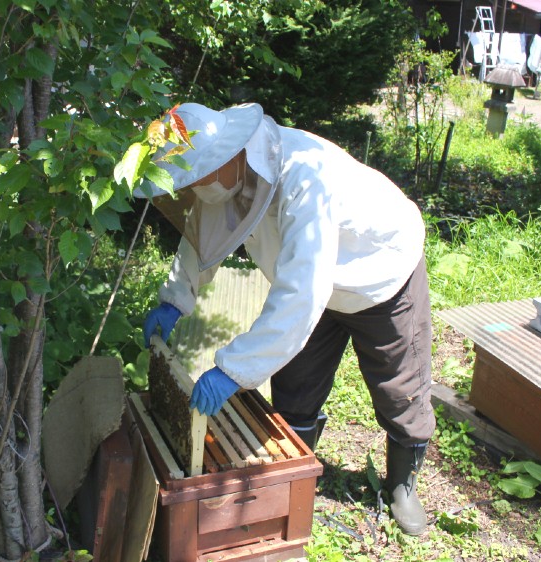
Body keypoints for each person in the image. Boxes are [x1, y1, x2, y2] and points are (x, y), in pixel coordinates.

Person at [137, 102, 435, 536]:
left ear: (229, 155)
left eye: (200, 178)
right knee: (296, 384)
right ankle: (294, 476)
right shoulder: (227, 170)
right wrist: (176, 298)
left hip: (379, 275)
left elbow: (302, 293)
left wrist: (233, 369)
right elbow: (202, 236)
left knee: (398, 387)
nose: (198, 188)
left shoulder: (305, 178)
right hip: (312, 283)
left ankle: (402, 485)